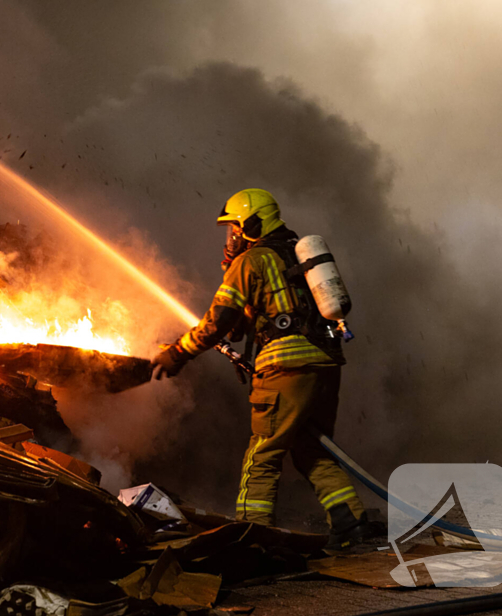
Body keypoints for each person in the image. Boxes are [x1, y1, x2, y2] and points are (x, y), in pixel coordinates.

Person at [152, 189, 381, 550]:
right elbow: (244, 325)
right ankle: (352, 525)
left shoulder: (252, 261)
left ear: (253, 225)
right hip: (325, 364)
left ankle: (252, 538)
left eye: (234, 229)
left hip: (285, 367)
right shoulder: (294, 259)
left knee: (262, 456)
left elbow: (219, 320)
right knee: (312, 450)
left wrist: (178, 354)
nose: (231, 238)